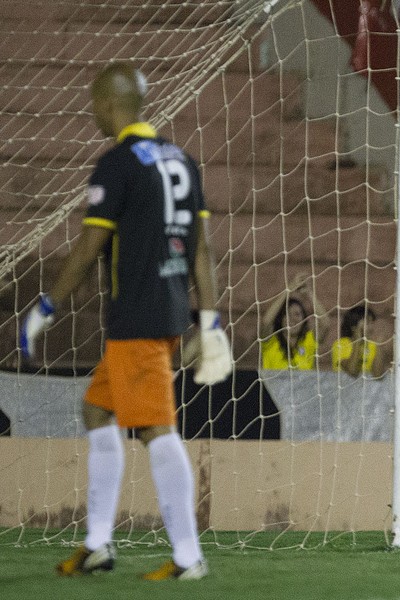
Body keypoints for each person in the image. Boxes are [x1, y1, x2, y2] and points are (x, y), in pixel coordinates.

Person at [19, 63, 233, 579]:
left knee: (157, 430)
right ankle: (98, 545)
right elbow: (202, 250)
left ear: (109, 104)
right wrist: (209, 320)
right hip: (167, 312)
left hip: (137, 317)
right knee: (96, 412)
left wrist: (46, 307)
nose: (93, 112)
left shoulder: (116, 165)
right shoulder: (182, 160)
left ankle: (188, 557)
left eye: (95, 104)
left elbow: (89, 248)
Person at [260, 272, 330, 370]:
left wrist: (309, 293)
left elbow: (325, 323)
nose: (293, 319)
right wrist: (288, 290)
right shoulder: (271, 342)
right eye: (288, 314)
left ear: (304, 320)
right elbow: (266, 322)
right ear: (281, 319)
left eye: (297, 314)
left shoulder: (308, 341)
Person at [332, 303, 391, 378]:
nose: (371, 327)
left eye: (371, 323)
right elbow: (352, 371)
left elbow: (378, 375)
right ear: (353, 326)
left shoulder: (372, 345)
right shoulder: (341, 344)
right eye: (367, 323)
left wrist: (379, 346)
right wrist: (357, 341)